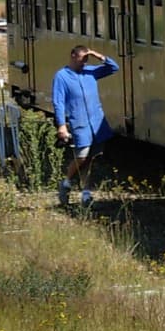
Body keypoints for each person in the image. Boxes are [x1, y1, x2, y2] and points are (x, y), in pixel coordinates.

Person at [51, 45, 119, 210]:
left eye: (86, 59)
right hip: (79, 121)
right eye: (82, 59)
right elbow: (58, 102)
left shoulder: (91, 72)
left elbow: (113, 67)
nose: (84, 62)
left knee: (91, 158)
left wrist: (97, 55)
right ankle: (66, 182)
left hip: (96, 122)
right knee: (81, 156)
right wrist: (61, 125)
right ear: (73, 56)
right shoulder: (62, 76)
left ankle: (86, 192)